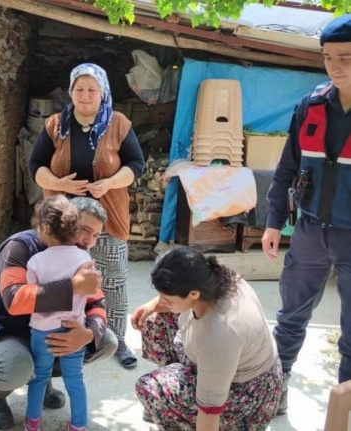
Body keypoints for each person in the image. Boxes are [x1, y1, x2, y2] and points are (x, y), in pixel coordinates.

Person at [261, 14, 351, 415]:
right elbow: (285, 169)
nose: (335, 66)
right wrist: (273, 221)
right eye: (328, 57)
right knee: (290, 318)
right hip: (311, 232)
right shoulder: (310, 105)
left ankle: (343, 408)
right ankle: (275, 391)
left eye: (346, 57)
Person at [28, 63, 145, 370]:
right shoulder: (55, 125)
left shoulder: (118, 124)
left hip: (106, 217)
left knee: (113, 280)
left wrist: (108, 182)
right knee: (60, 278)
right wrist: (59, 185)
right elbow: (36, 165)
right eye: (79, 89)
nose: (85, 95)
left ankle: (116, 340)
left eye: (92, 89)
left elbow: (135, 164)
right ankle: (59, 334)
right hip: (62, 222)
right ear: (71, 92)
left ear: (102, 92)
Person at [0, 196, 118, 430]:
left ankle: (43, 380)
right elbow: (14, 300)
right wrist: (73, 285)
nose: (89, 240)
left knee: (106, 341)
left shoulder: (80, 255)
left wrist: (88, 334)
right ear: (68, 221)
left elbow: (96, 302)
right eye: (85, 230)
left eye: (96, 235)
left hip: (45, 333)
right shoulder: (19, 247)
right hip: (4, 333)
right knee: (17, 364)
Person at [131, 247, 283, 431]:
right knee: (156, 320)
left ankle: (173, 407)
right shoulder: (215, 278)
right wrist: (151, 306)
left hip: (245, 393)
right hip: (222, 363)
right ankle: (175, 398)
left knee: (149, 388)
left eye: (167, 298)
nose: (160, 301)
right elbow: (172, 302)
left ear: (194, 294)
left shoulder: (221, 333)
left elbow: (210, 411)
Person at [24, 195, 96, 431]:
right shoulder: (84, 258)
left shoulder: (35, 262)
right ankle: (78, 425)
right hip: (73, 328)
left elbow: (33, 299)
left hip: (42, 331)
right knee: (75, 379)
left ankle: (33, 423)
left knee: (39, 377)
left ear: (44, 228)